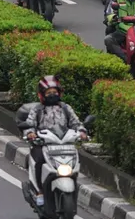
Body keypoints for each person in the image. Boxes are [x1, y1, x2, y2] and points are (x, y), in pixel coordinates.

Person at [21, 76, 87, 208]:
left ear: (59, 93)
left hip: (64, 144)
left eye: (54, 92)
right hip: (43, 144)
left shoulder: (66, 108)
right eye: (48, 93)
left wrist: (82, 132)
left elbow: (76, 123)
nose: (52, 95)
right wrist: (30, 133)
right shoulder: (37, 109)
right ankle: (39, 191)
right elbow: (29, 124)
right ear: (42, 95)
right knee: (39, 161)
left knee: (75, 161)